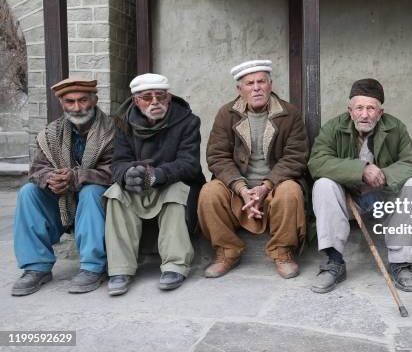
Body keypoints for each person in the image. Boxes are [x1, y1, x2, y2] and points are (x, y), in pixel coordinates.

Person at [308, 78, 412, 293]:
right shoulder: (333, 127)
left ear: (380, 113)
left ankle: (401, 263)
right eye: (359, 108)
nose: (364, 114)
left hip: (384, 194)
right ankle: (334, 262)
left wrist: (383, 175)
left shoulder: (395, 127)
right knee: (323, 185)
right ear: (350, 110)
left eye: (371, 108)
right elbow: (317, 162)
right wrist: (360, 170)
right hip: (348, 195)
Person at [198, 60, 309, 279]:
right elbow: (217, 157)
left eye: (261, 82)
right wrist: (241, 188)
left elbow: (295, 157)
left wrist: (265, 187)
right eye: (249, 83)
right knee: (209, 192)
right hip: (238, 189)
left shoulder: (290, 113)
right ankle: (227, 252)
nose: (256, 87)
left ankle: (283, 251)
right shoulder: (226, 114)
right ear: (240, 89)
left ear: (270, 84)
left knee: (291, 191)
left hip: (274, 186)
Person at [104, 73, 205, 295]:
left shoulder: (187, 120)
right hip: (141, 184)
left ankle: (175, 265)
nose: (155, 102)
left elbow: (190, 165)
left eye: (160, 96)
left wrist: (157, 175)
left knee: (174, 193)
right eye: (147, 97)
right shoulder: (123, 123)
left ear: (168, 98)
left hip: (174, 181)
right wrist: (128, 173)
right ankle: (120, 268)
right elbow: (118, 162)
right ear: (136, 101)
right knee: (115, 194)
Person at [12, 77, 113, 296]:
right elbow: (37, 169)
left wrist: (77, 177)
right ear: (62, 104)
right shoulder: (51, 134)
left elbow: (116, 170)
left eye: (83, 100)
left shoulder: (113, 130)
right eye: (70, 102)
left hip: (98, 202)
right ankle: (36, 267)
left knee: (90, 191)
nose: (77, 108)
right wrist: (50, 178)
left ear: (94, 100)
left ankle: (93, 267)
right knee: (28, 192)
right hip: (61, 201)